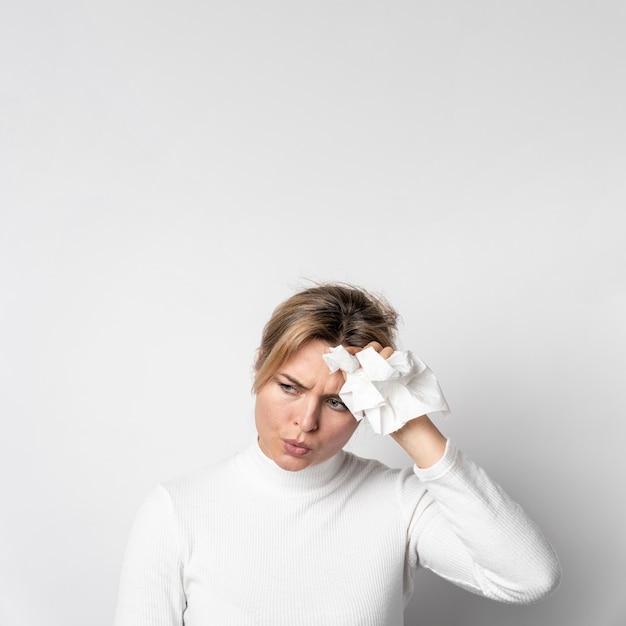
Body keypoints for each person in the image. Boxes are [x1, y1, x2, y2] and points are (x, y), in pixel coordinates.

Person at [112, 282, 561, 626]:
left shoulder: (399, 503)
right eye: (289, 387)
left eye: (338, 402)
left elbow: (529, 578)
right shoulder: (177, 510)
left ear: (367, 407)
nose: (306, 421)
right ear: (259, 367)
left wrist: (408, 421)